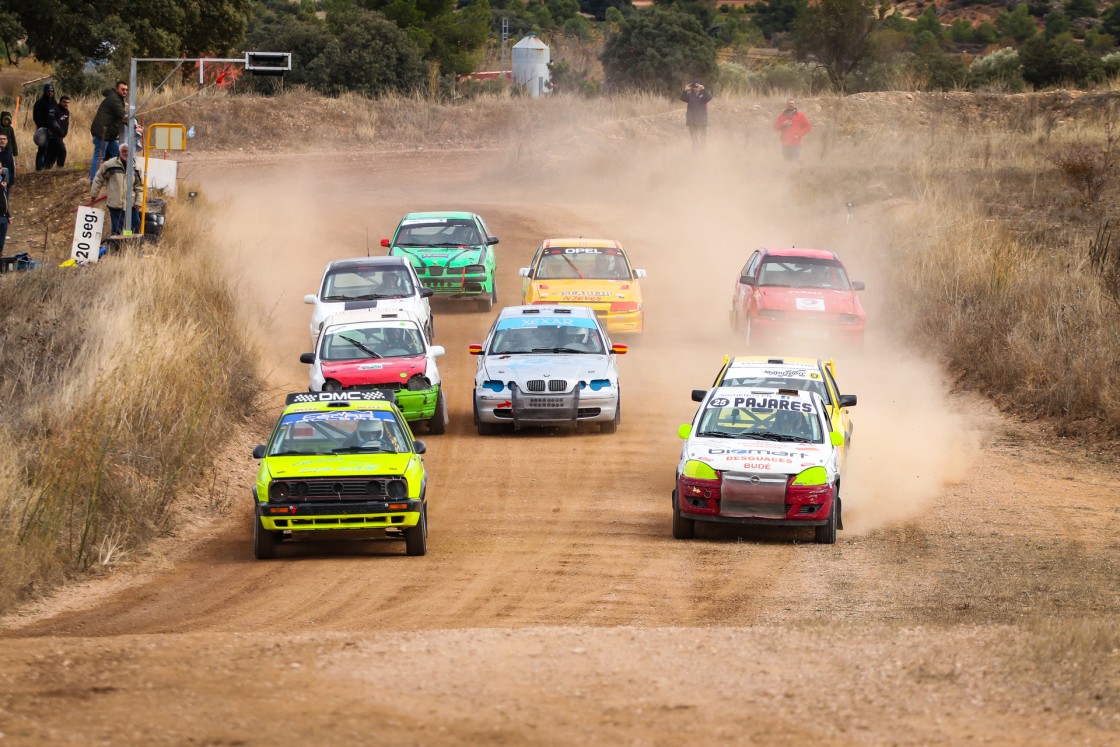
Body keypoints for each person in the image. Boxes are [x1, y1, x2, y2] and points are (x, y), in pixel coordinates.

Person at [90, 143, 143, 236]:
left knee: (135, 225)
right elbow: (99, 179)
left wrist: (139, 202)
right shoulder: (109, 165)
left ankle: (131, 245)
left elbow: (139, 187)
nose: (126, 153)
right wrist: (94, 194)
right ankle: (117, 247)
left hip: (131, 204)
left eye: (128, 151)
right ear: (119, 152)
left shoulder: (136, 167)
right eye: (124, 151)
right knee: (117, 229)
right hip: (115, 204)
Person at [89, 81, 129, 183]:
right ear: (117, 89)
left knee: (118, 154)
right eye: (122, 89)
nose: (125, 91)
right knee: (99, 156)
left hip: (110, 135)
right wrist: (134, 126)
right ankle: (93, 182)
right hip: (102, 133)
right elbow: (124, 116)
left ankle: (117, 178)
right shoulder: (114, 100)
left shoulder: (116, 98)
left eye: (126, 90)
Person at [679, 80, 713, 151]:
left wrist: (704, 89)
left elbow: (709, 98)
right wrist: (685, 90)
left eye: (697, 87)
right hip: (692, 120)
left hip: (702, 120)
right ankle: (695, 152)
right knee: (694, 139)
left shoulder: (704, 94)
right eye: (694, 87)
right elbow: (682, 98)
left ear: (700, 87)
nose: (696, 88)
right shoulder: (689, 95)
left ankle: (703, 152)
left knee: (702, 137)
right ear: (692, 87)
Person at [32, 83, 58, 171]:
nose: (50, 93)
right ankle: (39, 169)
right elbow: (36, 117)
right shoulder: (40, 103)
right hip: (43, 130)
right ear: (45, 91)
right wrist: (43, 127)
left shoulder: (54, 102)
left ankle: (47, 167)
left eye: (52, 91)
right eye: (48, 91)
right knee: (43, 148)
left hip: (53, 130)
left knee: (53, 148)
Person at [47, 96, 70, 168]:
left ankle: (47, 168)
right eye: (64, 102)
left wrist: (64, 133)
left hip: (60, 136)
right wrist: (58, 131)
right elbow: (52, 122)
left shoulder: (67, 112)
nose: (66, 104)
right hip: (53, 135)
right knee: (62, 151)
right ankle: (60, 168)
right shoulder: (54, 110)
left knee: (53, 154)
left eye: (68, 103)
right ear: (60, 101)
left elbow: (66, 124)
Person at [0, 165, 9, 257]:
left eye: (0, 168)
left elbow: (4, 199)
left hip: (3, 215)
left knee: (1, 242)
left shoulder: (3, 181)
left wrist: (8, 214)